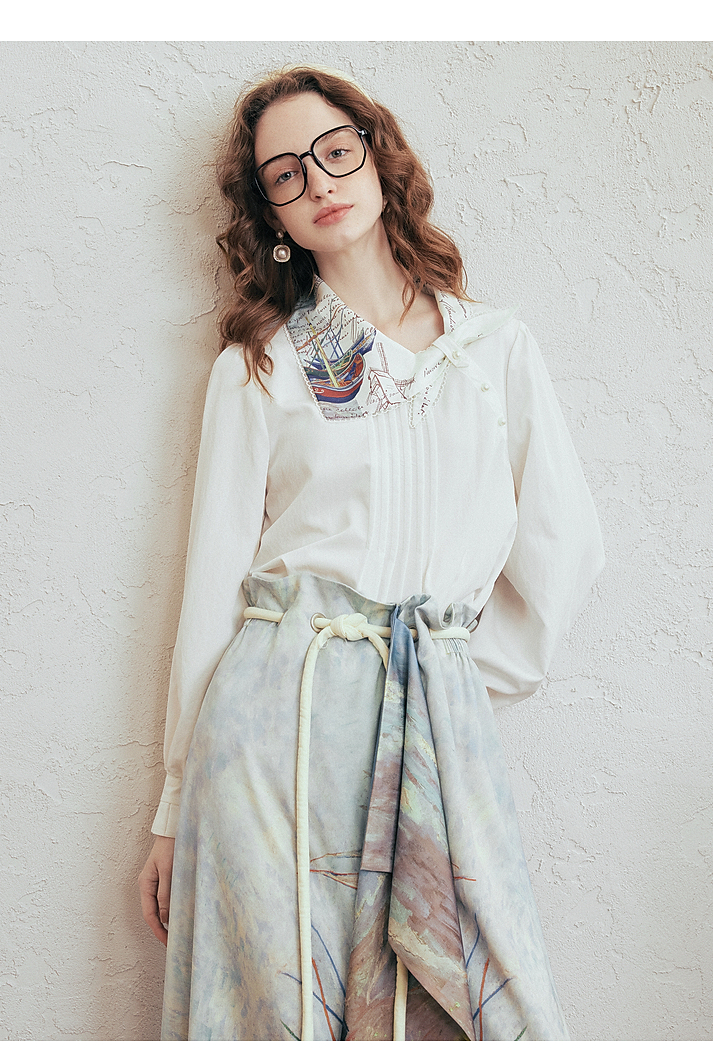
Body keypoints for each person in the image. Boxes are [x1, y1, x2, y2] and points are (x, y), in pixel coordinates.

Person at [138, 66, 604, 1042]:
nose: (318, 181)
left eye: (335, 151)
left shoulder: (493, 352)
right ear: (270, 212)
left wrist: (450, 678)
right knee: (281, 1015)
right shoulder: (261, 365)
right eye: (286, 173)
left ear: (376, 154)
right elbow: (211, 587)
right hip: (273, 735)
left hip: (434, 725)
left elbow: (564, 551)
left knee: (479, 1004)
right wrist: (174, 805)